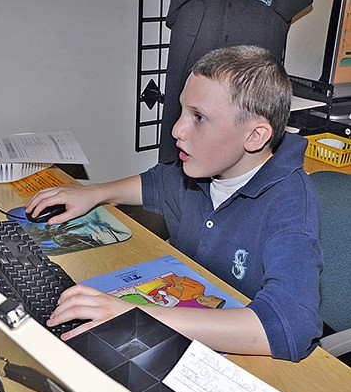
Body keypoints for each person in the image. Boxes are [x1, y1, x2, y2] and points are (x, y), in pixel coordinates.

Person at [26, 45, 323, 362]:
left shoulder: (290, 203)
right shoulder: (204, 167)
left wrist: (136, 315)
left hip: (246, 359)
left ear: (255, 136)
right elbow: (155, 183)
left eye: (198, 118)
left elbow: (289, 326)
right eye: (182, 111)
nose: (177, 130)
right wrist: (96, 192)